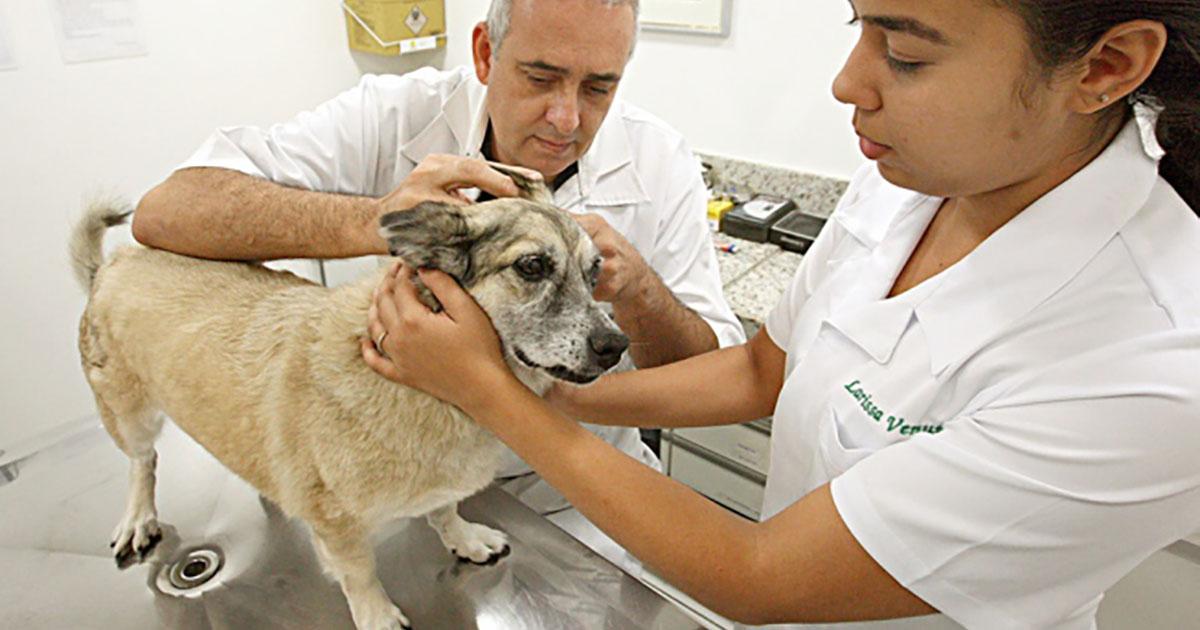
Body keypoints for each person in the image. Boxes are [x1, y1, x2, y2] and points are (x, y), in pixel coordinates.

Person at [363, 0, 1200, 627]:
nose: (847, 82)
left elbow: (759, 575)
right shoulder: (920, 174)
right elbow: (765, 367)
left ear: (1106, 66)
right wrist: (554, 392)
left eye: (904, 54)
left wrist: (488, 393)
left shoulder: (1152, 362)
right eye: (859, 26)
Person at [131, 0, 744, 573]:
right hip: (401, 480)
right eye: (539, 77)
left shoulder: (662, 161)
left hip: (583, 497)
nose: (566, 119)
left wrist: (639, 291)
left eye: (598, 87)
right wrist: (376, 221)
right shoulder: (393, 113)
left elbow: (713, 374)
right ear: (484, 54)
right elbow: (165, 213)